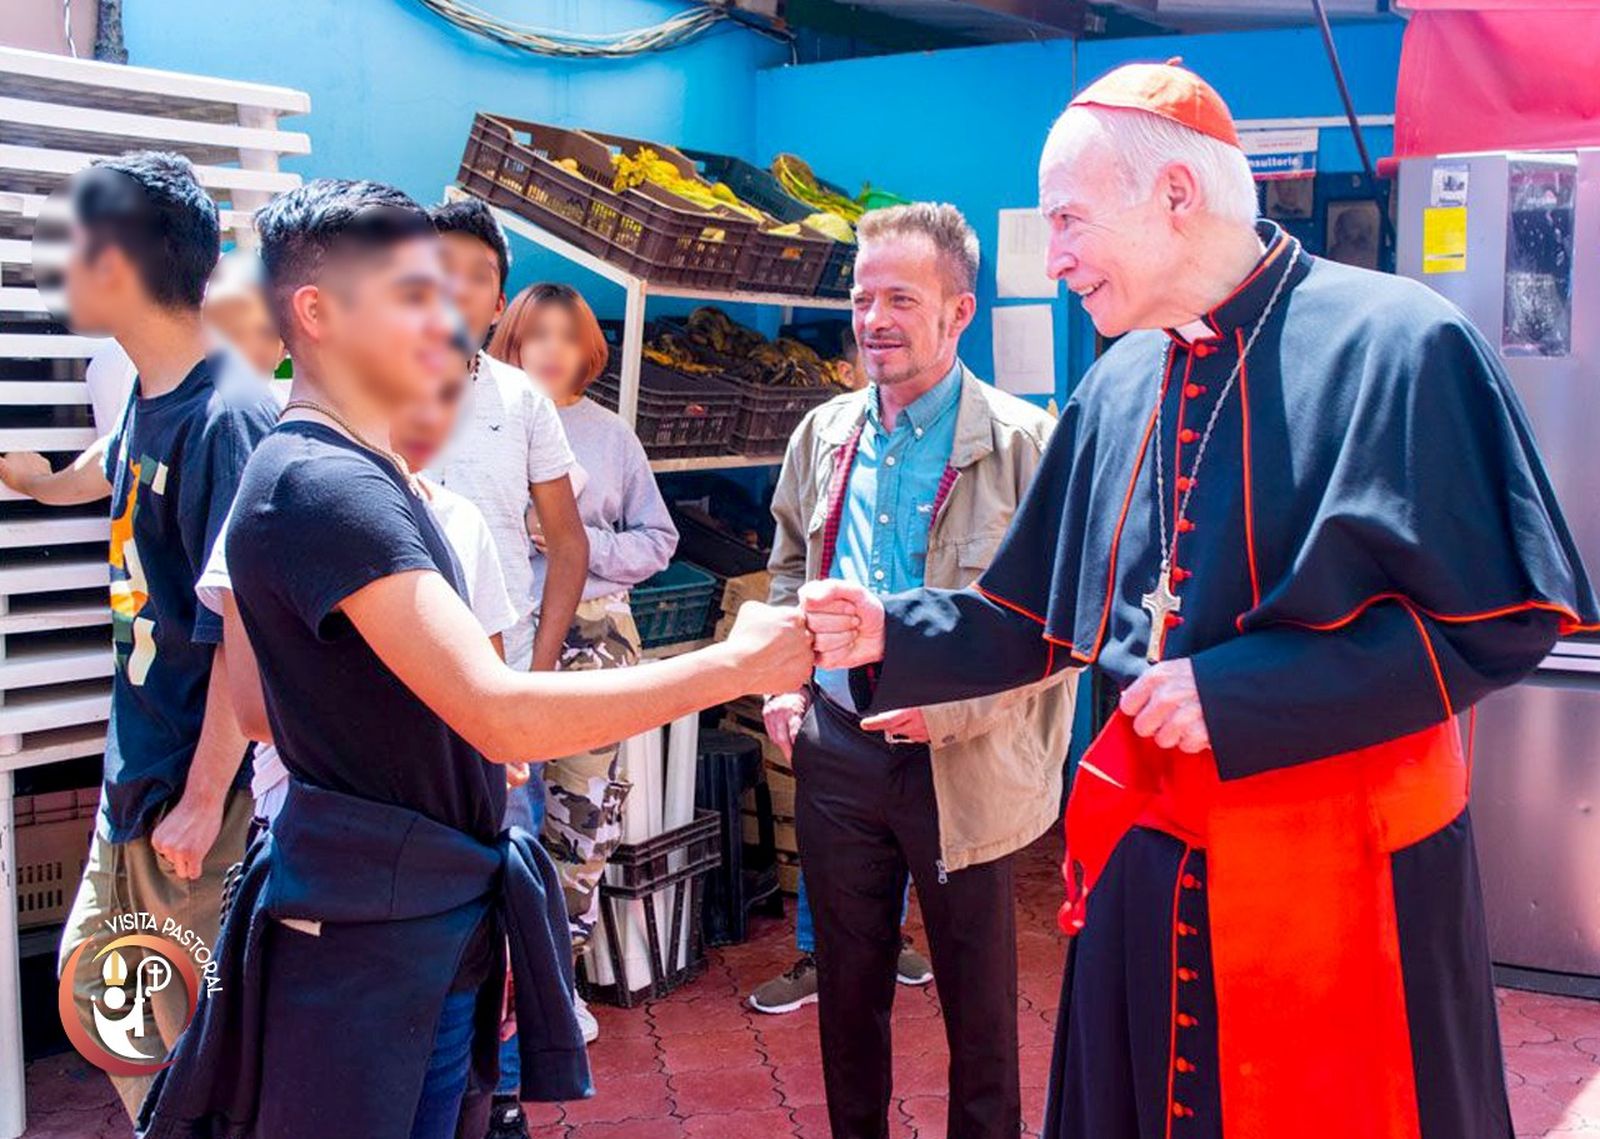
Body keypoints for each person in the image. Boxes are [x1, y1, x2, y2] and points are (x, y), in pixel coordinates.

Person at [801, 62, 1598, 1139]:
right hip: (1151, 856)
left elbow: (1496, 619)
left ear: (1176, 194)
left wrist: (1248, 691)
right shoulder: (1118, 382)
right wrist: (893, 626)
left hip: (1340, 887)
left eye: (1071, 218)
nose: (1058, 252)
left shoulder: (1401, 343)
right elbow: (1033, 617)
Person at [135, 178, 812, 1139]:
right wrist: (735, 665)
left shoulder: (338, 474)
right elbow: (497, 714)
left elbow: (252, 705)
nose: (441, 315)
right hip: (373, 940)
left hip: (407, 916)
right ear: (317, 313)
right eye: (409, 290)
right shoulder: (326, 487)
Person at [762, 202, 1073, 1139]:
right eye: (863, 298)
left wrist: (949, 715)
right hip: (836, 751)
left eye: (902, 297)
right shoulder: (821, 434)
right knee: (848, 993)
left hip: (959, 762)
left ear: (959, 311)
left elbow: (1057, 630)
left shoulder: (1027, 443)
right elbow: (787, 565)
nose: (875, 319)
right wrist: (784, 683)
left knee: (978, 1006)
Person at [0, 152, 278, 1118]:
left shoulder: (229, 419)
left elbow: (247, 631)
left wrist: (204, 800)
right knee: (121, 1026)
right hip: (141, 787)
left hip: (194, 809)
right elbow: (106, 464)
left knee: (183, 1066)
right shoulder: (152, 402)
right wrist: (29, 477)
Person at [193, 316, 521, 827]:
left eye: (454, 390)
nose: (435, 409)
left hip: (443, 843)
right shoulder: (286, 493)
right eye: (421, 380)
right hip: (322, 839)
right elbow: (256, 711)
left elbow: (492, 687)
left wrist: (488, 734)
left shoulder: (464, 521)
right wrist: (464, 718)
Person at [487, 283, 678, 1057]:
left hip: (596, 640)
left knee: (584, 819)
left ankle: (556, 986)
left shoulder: (609, 436)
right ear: (514, 340)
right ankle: (502, 990)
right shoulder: (484, 423)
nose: (553, 349)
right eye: (538, 334)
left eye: (569, 336)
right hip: (503, 637)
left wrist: (575, 543)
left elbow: (659, 540)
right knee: (505, 811)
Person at [425, 197, 587, 677]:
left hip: (505, 669)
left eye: (478, 275)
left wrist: (537, 672)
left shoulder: (523, 399)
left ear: (497, 306)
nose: (457, 287)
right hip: (397, 677)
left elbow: (569, 544)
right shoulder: (369, 392)